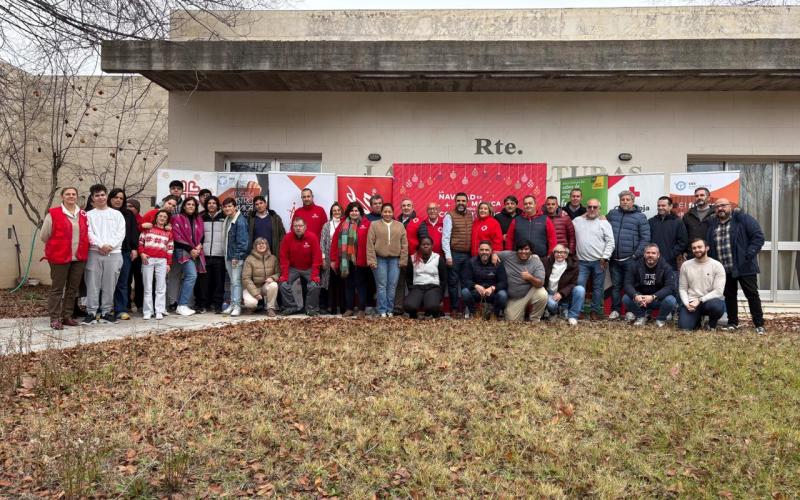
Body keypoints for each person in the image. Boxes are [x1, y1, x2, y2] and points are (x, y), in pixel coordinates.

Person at [706, 198, 766, 334]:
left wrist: (748, 254)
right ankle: (733, 322)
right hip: (723, 268)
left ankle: (759, 324)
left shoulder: (743, 219)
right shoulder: (712, 224)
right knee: (729, 296)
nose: (720, 208)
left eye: (723, 205)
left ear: (730, 206)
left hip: (744, 265)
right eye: (717, 207)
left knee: (752, 294)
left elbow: (758, 237)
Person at [41, 187, 89, 330]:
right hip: (59, 257)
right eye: (68, 194)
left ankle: (67, 316)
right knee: (57, 288)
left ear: (77, 196)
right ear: (62, 196)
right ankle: (55, 318)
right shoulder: (54, 214)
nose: (71, 196)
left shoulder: (83, 214)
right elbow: (44, 236)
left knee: (72, 288)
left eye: (74, 194)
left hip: (78, 257)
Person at [83, 184, 126, 324]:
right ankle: (91, 312)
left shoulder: (116, 214)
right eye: (97, 195)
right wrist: (101, 245)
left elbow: (121, 233)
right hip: (94, 253)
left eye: (102, 194)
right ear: (93, 198)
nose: (100, 197)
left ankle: (107, 312)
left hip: (114, 253)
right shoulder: (88, 215)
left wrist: (110, 246)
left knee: (110, 284)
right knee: (92, 283)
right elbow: (88, 233)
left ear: (106, 196)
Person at [606, 190, 651, 320]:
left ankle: (631, 311)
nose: (625, 202)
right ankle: (616, 310)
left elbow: (645, 238)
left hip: (631, 259)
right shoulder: (612, 214)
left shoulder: (640, 217)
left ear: (633, 201)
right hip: (614, 259)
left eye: (628, 199)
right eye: (622, 200)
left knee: (631, 286)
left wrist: (636, 255)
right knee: (616, 286)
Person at [573, 199, 615, 320]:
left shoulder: (604, 223)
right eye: (589, 207)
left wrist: (605, 257)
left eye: (595, 207)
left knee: (597, 288)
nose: (592, 209)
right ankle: (578, 310)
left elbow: (610, 242)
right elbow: (568, 225)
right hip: (581, 262)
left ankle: (594, 311)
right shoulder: (578, 221)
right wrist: (581, 216)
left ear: (599, 209)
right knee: (580, 286)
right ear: (586, 208)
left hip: (599, 262)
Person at [331, 202, 372, 318]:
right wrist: (334, 259)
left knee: (361, 285)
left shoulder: (366, 224)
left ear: (360, 212)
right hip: (346, 261)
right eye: (352, 211)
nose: (354, 213)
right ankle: (349, 308)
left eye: (356, 211)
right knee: (348, 285)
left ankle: (361, 309)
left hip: (361, 260)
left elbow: (371, 241)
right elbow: (334, 242)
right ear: (348, 212)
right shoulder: (342, 224)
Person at [367, 204, 408, 317]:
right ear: (381, 213)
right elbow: (370, 243)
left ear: (393, 213)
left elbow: (404, 244)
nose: (387, 214)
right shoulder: (374, 225)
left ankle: (390, 310)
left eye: (389, 212)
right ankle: (381, 310)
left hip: (395, 260)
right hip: (380, 260)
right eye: (385, 211)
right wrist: (371, 260)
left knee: (392, 286)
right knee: (381, 286)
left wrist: (403, 260)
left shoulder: (399, 226)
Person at [622, 243, 677, 327]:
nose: (650, 255)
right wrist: (636, 296)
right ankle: (641, 316)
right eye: (648, 253)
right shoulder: (634, 266)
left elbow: (670, 287)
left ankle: (661, 319)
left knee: (671, 300)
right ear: (644, 254)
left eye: (653, 253)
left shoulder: (666, 267)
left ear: (658, 255)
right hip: (641, 299)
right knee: (626, 298)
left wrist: (653, 297)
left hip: (657, 299)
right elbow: (627, 284)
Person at [678, 238, 726, 331]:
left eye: (699, 247)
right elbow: (682, 288)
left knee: (717, 307)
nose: (697, 250)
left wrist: (700, 300)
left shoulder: (717, 265)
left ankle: (711, 325)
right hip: (691, 302)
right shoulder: (686, 265)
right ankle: (697, 321)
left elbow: (719, 291)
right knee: (684, 328)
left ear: (707, 248)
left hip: (709, 301)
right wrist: (686, 304)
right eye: (694, 248)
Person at [108, 188, 140, 321]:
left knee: (123, 281)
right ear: (110, 198)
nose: (118, 200)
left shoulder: (129, 214)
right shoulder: (105, 213)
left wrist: (134, 248)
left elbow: (133, 233)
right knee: (106, 282)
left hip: (125, 251)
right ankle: (104, 309)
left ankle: (120, 309)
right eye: (116, 197)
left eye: (121, 198)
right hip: (107, 251)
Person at [279, 218, 323, 316]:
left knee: (314, 285)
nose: (298, 228)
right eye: (296, 226)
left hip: (308, 267)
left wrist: (315, 275)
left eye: (300, 226)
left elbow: (317, 257)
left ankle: (311, 309)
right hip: (293, 267)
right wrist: (285, 275)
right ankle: (291, 307)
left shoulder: (312, 237)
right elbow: (283, 258)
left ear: (305, 227)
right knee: (283, 284)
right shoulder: (287, 238)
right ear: (293, 227)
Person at [497, 241, 548, 322]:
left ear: (531, 251)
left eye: (526, 249)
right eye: (520, 249)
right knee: (512, 320)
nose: (523, 252)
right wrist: (493, 255)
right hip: (514, 297)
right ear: (516, 250)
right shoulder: (508, 255)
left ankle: (534, 319)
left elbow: (540, 283)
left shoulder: (536, 262)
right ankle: (521, 313)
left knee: (543, 294)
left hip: (529, 293)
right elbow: (494, 252)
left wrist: (530, 277)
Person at [171, 196, 206, 316]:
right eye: (188, 204)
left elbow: (202, 235)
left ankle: (181, 305)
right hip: (183, 250)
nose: (191, 206)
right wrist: (191, 249)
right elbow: (176, 237)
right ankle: (182, 305)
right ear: (184, 206)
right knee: (191, 275)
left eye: (193, 205)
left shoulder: (198, 219)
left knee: (189, 277)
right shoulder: (177, 218)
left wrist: (199, 247)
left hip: (196, 250)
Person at [442, 192, 473, 317]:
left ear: (467, 202)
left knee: (466, 282)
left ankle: (465, 309)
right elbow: (445, 238)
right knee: (453, 283)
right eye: (458, 201)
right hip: (454, 254)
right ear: (455, 202)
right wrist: (448, 256)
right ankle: (454, 309)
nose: (461, 203)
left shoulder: (471, 215)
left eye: (463, 201)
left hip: (468, 255)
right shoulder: (449, 216)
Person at [138, 209, 174, 320]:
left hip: (162, 261)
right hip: (148, 259)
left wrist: (168, 263)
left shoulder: (168, 233)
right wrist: (142, 254)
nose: (162, 218)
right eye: (160, 216)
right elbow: (140, 243)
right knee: (148, 287)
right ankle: (148, 311)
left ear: (167, 220)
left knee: (161, 287)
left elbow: (170, 249)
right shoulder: (147, 229)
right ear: (156, 217)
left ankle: (159, 310)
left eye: (165, 217)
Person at [461, 240, 508, 320]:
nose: (484, 252)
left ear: (491, 251)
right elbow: (465, 280)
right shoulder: (471, 262)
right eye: (482, 250)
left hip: (492, 293)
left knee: (503, 295)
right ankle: (474, 313)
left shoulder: (497, 263)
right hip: (477, 292)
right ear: (478, 250)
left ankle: (494, 315)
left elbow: (504, 282)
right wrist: (475, 286)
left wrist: (493, 288)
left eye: (487, 250)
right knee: (465, 292)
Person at [404, 236, 448, 319]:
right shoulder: (413, 258)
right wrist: (412, 290)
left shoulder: (438, 258)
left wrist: (440, 295)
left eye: (428, 244)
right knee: (408, 306)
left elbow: (443, 279)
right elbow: (408, 277)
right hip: (417, 287)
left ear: (432, 246)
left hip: (433, 287)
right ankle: (413, 314)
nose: (425, 246)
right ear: (419, 246)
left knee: (432, 306)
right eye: (423, 244)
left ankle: (435, 312)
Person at [542, 244, 585, 326]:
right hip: (550, 293)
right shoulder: (546, 262)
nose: (559, 254)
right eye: (557, 252)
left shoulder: (573, 265)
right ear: (553, 253)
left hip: (565, 293)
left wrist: (561, 293)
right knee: (551, 304)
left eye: (562, 252)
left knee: (580, 289)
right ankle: (555, 312)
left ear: (566, 254)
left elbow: (573, 283)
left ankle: (573, 316)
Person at [197, 196, 226, 314]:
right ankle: (203, 305)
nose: (212, 205)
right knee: (203, 282)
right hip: (205, 255)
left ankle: (218, 305)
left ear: (217, 205)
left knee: (219, 282)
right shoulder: (201, 217)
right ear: (206, 205)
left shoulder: (224, 217)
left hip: (220, 255)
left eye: (214, 203)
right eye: (209, 203)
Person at [505, 195, 557, 259]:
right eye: (525, 204)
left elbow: (552, 239)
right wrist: (510, 255)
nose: (528, 205)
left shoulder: (545, 219)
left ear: (535, 204)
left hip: (541, 258)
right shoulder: (516, 220)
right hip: (520, 259)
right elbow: (509, 239)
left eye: (530, 203)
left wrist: (550, 255)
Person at [222, 197, 249, 316]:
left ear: (235, 207)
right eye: (225, 206)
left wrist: (237, 256)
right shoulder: (228, 219)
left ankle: (237, 306)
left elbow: (243, 242)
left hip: (236, 257)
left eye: (230, 206)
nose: (227, 208)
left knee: (236, 281)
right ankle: (233, 304)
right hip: (228, 255)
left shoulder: (240, 221)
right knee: (233, 282)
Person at [242, 237, 280, 316]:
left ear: (267, 245)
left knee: (273, 285)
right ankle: (252, 307)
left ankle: (270, 308)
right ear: (255, 246)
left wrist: (272, 278)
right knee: (251, 303)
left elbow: (279, 273)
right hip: (253, 287)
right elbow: (246, 278)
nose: (261, 245)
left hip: (265, 287)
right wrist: (255, 293)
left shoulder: (273, 258)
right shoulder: (249, 259)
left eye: (263, 243)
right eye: (259, 244)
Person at [395, 198, 421, 314]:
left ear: (413, 207)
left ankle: (413, 308)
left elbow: (423, 238)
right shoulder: (396, 221)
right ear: (401, 207)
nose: (406, 207)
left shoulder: (418, 221)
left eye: (408, 205)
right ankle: (398, 308)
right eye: (404, 205)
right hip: (398, 257)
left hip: (412, 257)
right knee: (399, 283)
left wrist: (418, 254)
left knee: (412, 283)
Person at [649, 196, 688, 271]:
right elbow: (647, 240)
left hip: (670, 262)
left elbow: (683, 242)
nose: (660, 208)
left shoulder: (678, 222)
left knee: (669, 282)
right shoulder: (651, 221)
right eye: (659, 205)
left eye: (663, 205)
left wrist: (670, 255)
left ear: (670, 206)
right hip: (652, 261)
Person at [320, 202, 344, 315]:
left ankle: (343, 307)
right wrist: (323, 259)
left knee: (342, 283)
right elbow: (322, 243)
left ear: (342, 212)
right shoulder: (327, 225)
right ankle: (331, 307)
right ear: (331, 212)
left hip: (343, 257)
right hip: (330, 258)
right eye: (334, 210)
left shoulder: (345, 224)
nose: (337, 212)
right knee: (330, 283)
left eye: (338, 210)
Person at [126, 199, 144, 313]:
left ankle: (140, 303)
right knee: (126, 279)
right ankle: (126, 303)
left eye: (132, 206)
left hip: (140, 254)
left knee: (139, 279)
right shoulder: (124, 219)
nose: (129, 208)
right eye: (127, 206)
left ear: (137, 209)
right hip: (127, 252)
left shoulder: (143, 221)